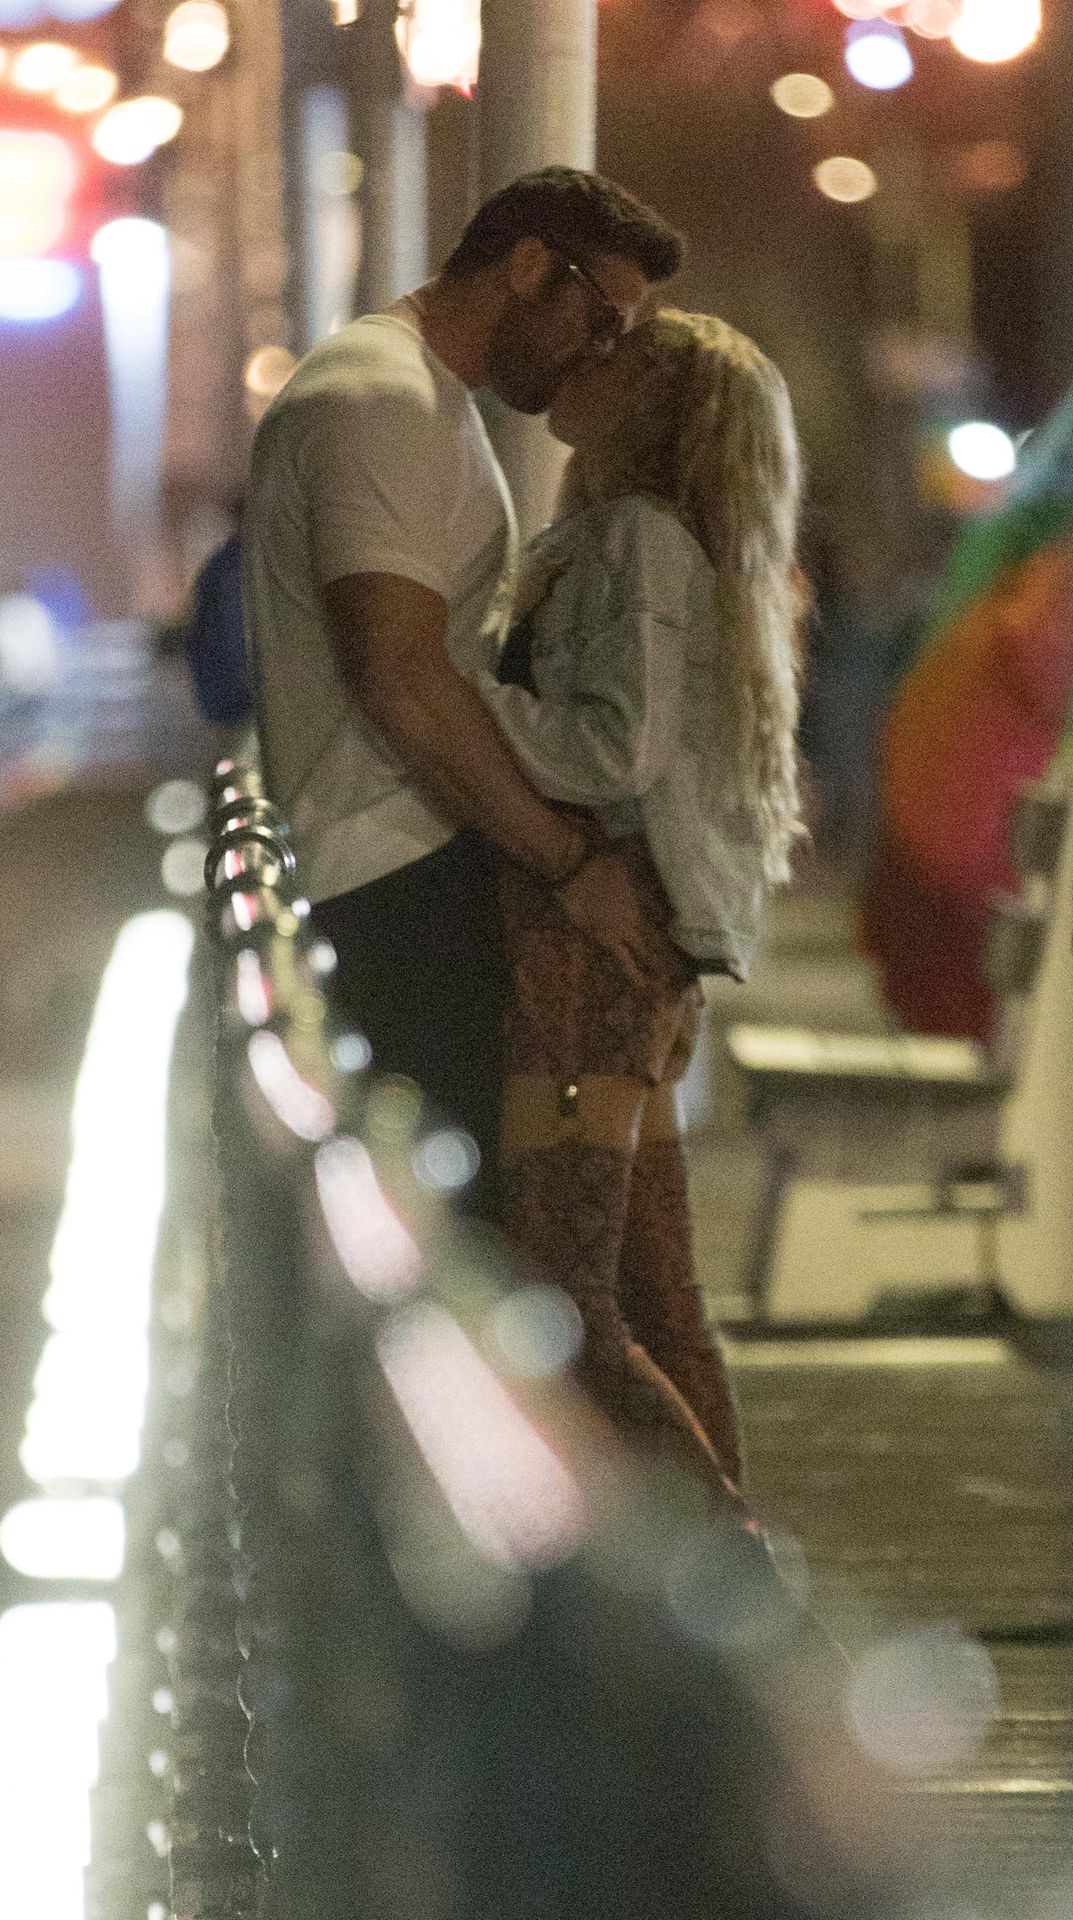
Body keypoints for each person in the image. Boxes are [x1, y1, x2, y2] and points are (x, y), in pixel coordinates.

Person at [242, 170, 687, 1221]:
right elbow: (395, 672)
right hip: (388, 882)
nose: (602, 347)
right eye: (600, 315)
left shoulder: (421, 400)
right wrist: (565, 859)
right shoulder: (382, 401)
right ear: (528, 265)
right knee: (440, 1239)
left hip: (398, 868)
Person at [474, 310, 808, 1501]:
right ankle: (747, 1587)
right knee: (657, 1300)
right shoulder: (683, 550)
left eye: (612, 351)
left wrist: (464, 702)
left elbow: (607, 753)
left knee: (566, 1293)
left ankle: (725, 1601)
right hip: (645, 955)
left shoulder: (628, 540)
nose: (579, 350)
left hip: (587, 955)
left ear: (652, 404)